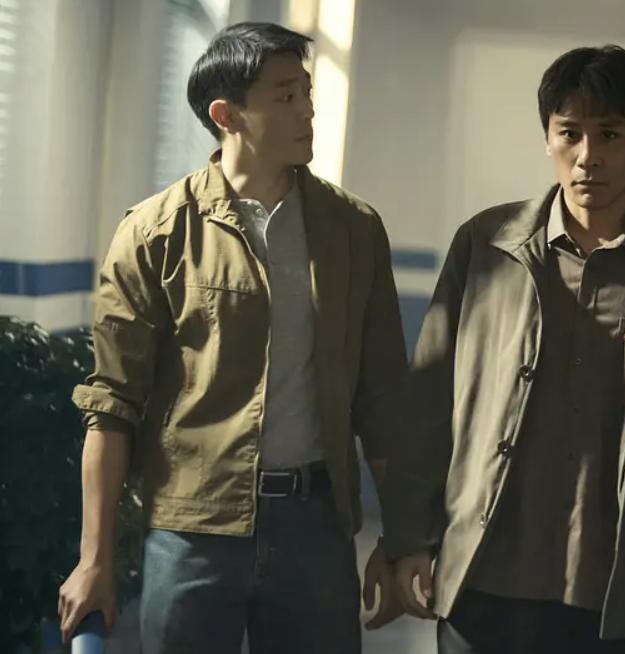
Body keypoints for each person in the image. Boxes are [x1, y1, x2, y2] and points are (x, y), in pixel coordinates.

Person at [385, 44, 625, 654]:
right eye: (570, 134)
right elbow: (428, 406)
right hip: (484, 571)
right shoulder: (487, 246)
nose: (588, 157)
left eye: (610, 134)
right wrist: (408, 539)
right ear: (547, 137)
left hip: (615, 588)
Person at [58, 22, 406, 653]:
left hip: (316, 526)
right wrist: (94, 559)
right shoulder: (155, 232)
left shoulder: (353, 230)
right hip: (193, 527)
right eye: (285, 96)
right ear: (227, 116)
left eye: (306, 91)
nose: (307, 110)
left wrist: (402, 537)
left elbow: (382, 399)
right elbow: (112, 405)